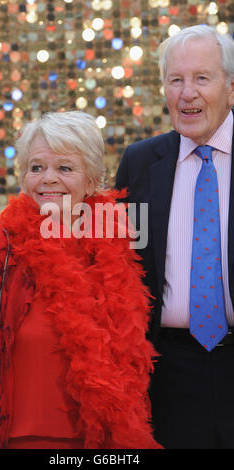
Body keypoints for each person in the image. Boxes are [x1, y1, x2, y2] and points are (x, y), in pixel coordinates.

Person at [0, 110, 162, 449]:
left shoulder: (115, 249)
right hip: (19, 438)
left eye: (64, 168)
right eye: (37, 167)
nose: (48, 178)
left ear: (92, 180)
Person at [116, 25, 234, 449]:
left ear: (231, 88)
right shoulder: (140, 162)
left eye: (202, 78)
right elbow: (121, 263)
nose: (187, 93)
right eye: (175, 80)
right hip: (167, 375)